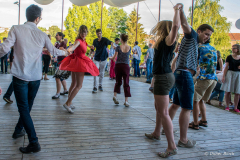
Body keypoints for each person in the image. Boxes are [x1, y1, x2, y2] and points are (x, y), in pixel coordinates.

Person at [0, 4, 67, 153]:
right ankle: (18, 130)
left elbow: (4, 48)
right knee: (27, 107)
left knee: (24, 109)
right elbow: (54, 51)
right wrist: (66, 53)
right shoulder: (42, 35)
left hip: (20, 76)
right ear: (37, 18)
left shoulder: (16, 29)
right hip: (35, 78)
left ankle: (34, 142)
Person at [168, 4, 214, 148]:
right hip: (185, 75)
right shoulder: (192, 36)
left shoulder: (193, 42)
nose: (207, 37)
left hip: (181, 73)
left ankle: (165, 129)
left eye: (209, 36)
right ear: (199, 31)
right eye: (206, 34)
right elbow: (185, 24)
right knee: (187, 108)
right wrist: (180, 11)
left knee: (175, 104)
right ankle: (183, 140)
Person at [145, 4, 181, 158]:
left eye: (160, 27)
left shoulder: (168, 40)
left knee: (164, 112)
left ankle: (172, 146)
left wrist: (177, 11)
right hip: (161, 77)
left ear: (163, 29)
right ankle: (156, 133)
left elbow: (176, 26)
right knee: (159, 109)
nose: (157, 29)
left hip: (164, 78)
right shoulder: (162, 42)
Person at [59, 25, 99, 113]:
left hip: (76, 61)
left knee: (74, 83)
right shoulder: (78, 41)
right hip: (79, 62)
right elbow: (74, 46)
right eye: (82, 32)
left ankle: (70, 102)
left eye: (85, 32)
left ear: (87, 32)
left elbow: (85, 45)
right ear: (79, 32)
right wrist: (69, 49)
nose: (83, 34)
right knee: (79, 85)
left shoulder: (84, 41)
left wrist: (91, 46)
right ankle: (67, 103)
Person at [189, 40, 217, 130]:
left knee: (195, 100)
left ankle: (195, 123)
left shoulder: (199, 48)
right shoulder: (213, 48)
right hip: (214, 78)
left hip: (204, 77)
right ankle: (204, 120)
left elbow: (193, 61)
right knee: (201, 100)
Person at [110, 34, 131, 107]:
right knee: (126, 83)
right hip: (126, 66)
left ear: (121, 39)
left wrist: (110, 58)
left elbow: (114, 57)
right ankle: (126, 101)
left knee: (118, 81)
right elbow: (129, 56)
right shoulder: (129, 47)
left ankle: (115, 96)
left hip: (118, 66)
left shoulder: (118, 47)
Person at [221, 44, 240, 112]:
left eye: (234, 48)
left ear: (237, 49)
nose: (232, 49)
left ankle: (235, 107)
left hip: (238, 75)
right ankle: (227, 106)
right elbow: (226, 67)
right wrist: (223, 76)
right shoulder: (229, 57)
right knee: (227, 91)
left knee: (237, 92)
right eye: (232, 47)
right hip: (230, 74)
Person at [52, 32, 69, 99]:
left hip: (63, 62)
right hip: (60, 61)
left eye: (57, 35)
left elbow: (61, 51)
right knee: (61, 77)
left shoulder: (63, 43)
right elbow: (54, 50)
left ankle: (57, 93)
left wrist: (59, 48)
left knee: (57, 77)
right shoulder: (58, 44)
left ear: (61, 36)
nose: (56, 36)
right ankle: (65, 90)